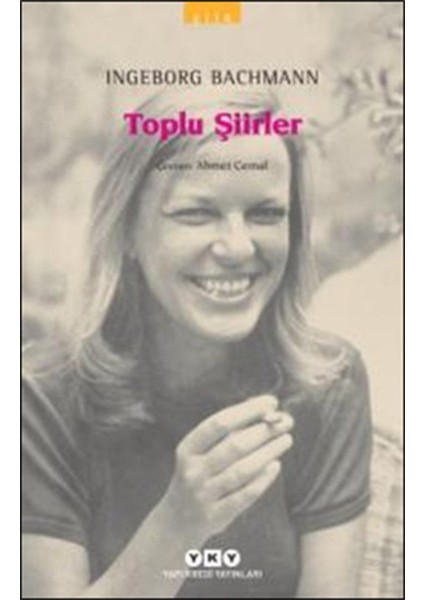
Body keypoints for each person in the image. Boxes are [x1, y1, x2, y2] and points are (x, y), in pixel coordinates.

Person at [22, 88, 372, 598]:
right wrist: (179, 526)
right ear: (125, 231)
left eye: (266, 214)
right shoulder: (40, 396)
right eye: (196, 213)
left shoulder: (329, 382)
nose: (238, 246)